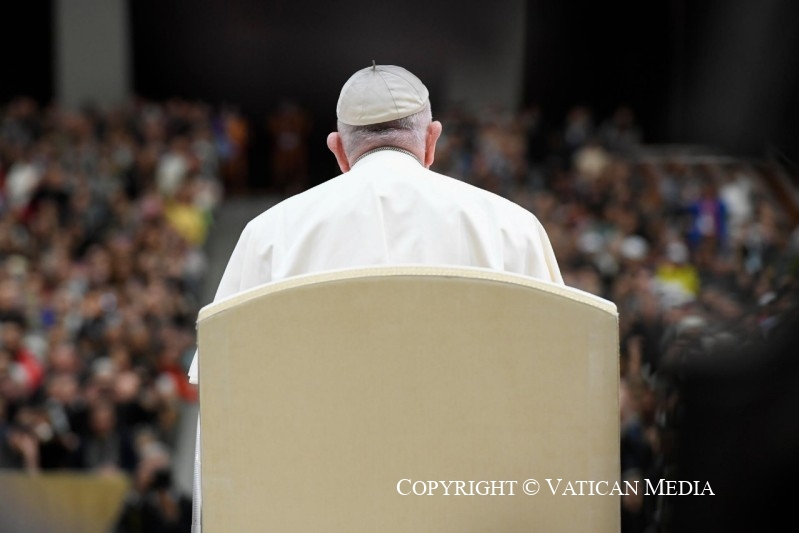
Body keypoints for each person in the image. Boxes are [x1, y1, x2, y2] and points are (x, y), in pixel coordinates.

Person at [187, 63, 564, 531]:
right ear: (432, 140)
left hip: (322, 503)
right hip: (471, 502)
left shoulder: (269, 236)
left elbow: (223, 393)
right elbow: (556, 381)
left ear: (338, 150)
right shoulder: (512, 227)